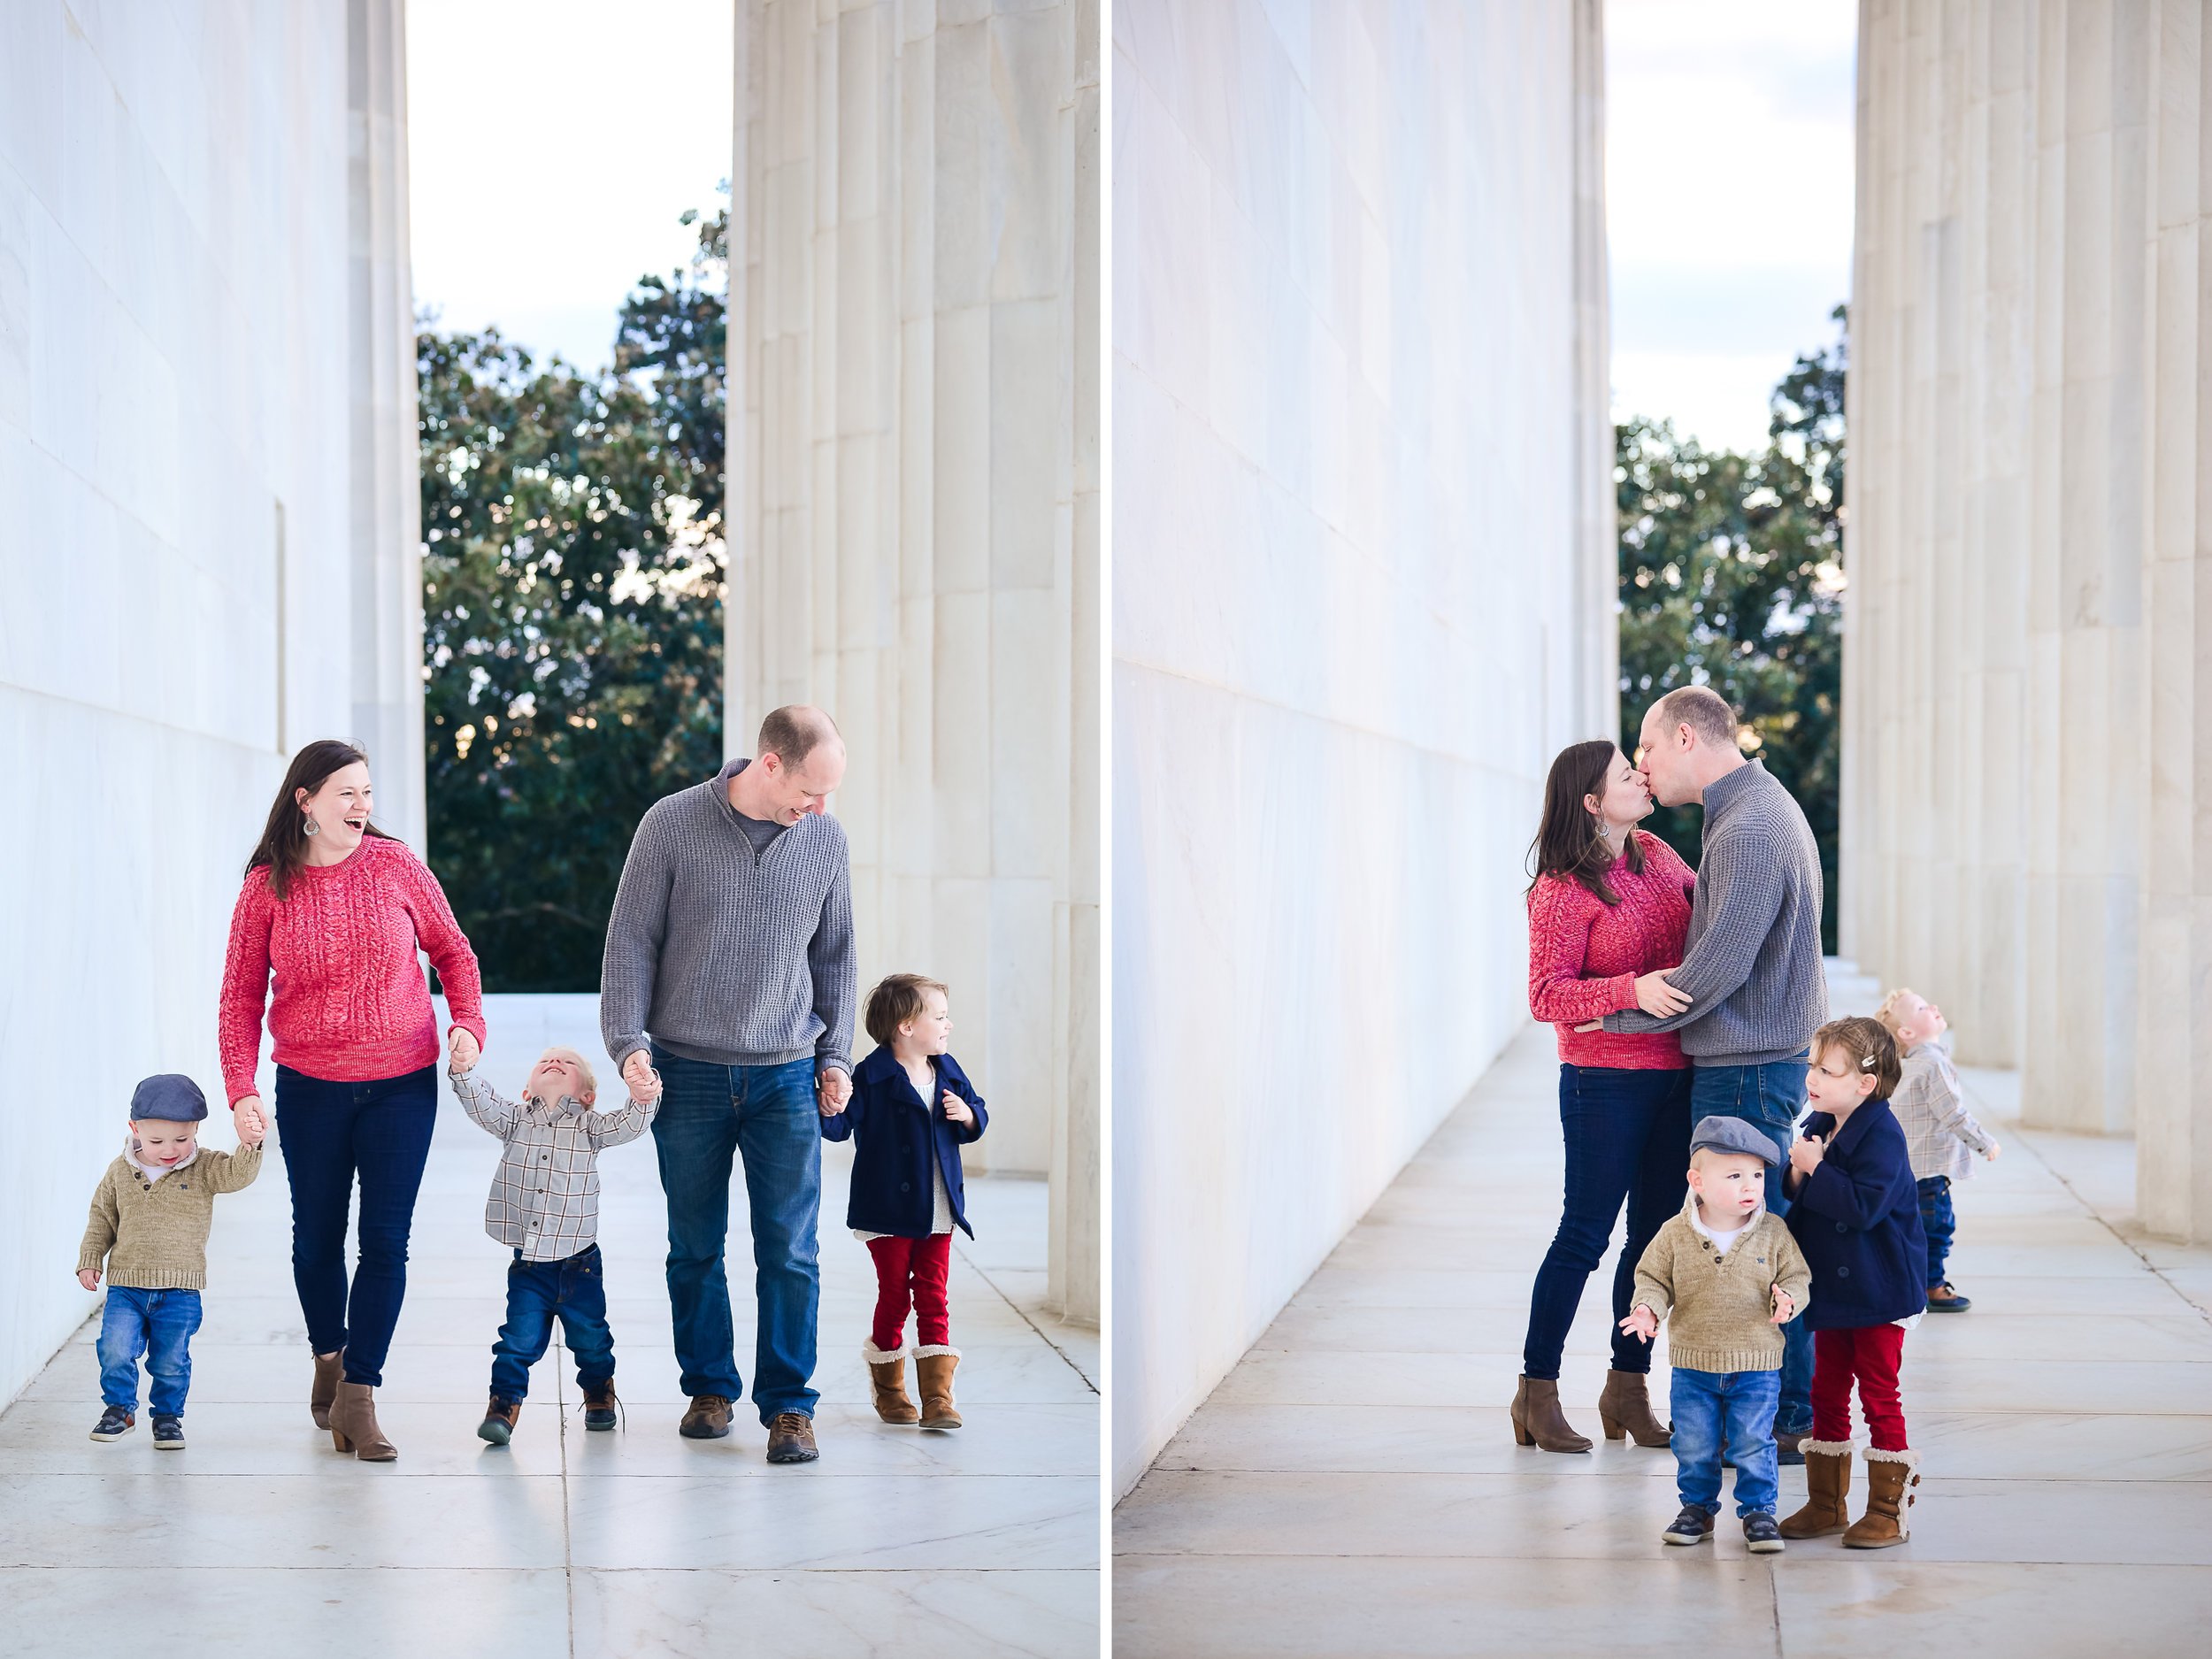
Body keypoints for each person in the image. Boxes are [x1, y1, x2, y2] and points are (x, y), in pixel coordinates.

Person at [601, 705, 856, 1463]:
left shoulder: (825, 839)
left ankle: (788, 1406)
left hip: (786, 1074)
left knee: (791, 1248)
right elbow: (631, 942)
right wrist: (627, 1045)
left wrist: (836, 1057)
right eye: (810, 790)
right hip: (687, 1072)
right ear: (769, 762)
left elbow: (836, 956)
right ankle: (710, 1388)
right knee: (694, 1246)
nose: (818, 809)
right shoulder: (672, 823)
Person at [220, 739, 486, 1463]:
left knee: (386, 1240)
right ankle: (330, 1359)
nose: (362, 806)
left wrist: (467, 1021)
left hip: (402, 1081)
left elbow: (453, 952)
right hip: (310, 1087)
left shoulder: (396, 865)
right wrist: (241, 1087)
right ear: (305, 800)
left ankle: (361, 1393)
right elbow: (239, 997)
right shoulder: (265, 887)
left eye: (367, 792)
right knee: (316, 1237)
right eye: (346, 792)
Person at [1592, 685, 1827, 1458]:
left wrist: (1612, 1013)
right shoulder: (1746, 811)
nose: (1645, 766)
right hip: (1750, 1060)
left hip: (1750, 1067)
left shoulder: (1750, 826)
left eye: (1649, 748)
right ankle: (1780, 1412)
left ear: (1687, 738)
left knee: (1752, 1240)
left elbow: (1716, 969)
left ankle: (1788, 1417)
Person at [1515, 740, 1697, 1454]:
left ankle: (1627, 1386)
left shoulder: (1655, 850)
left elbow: (1708, 912)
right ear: (1592, 803)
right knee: (1585, 1235)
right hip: (1602, 1081)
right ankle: (1537, 1390)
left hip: (1674, 1073)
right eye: (1627, 773)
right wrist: (1630, 989)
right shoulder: (1562, 889)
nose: (1642, 775)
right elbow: (1544, 995)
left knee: (1652, 1242)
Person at [450, 1045, 663, 1445]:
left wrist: (643, 1097)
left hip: (579, 1265)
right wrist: (463, 1072)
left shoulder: (589, 1126)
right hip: (530, 1267)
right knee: (517, 1340)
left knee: (592, 1339)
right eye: (545, 1061)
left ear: (588, 1096)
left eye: (568, 1064)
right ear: (527, 1091)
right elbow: (482, 1103)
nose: (554, 1063)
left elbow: (628, 1125)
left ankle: (599, 1393)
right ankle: (503, 1405)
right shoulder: (514, 1120)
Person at [1620, 1116, 1811, 1553]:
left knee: (1752, 1442)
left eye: (1758, 1175)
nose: (1751, 1186)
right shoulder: (1675, 1234)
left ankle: (1760, 1511)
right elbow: (1652, 1277)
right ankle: (1697, 1509)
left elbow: (1798, 1277)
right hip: (1693, 1365)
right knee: (1693, 1443)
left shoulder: (1773, 1233)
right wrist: (1647, 1308)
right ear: (1697, 1180)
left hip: (1757, 1365)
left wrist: (1789, 1301)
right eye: (1735, 1175)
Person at [1779, 1017, 1929, 1548]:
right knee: (1826, 1389)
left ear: (1864, 1085)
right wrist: (1800, 1171)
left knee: (1879, 1391)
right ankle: (1826, 1504)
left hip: (1880, 1286)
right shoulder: (1821, 1122)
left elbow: (1864, 1207)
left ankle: (1889, 1509)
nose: (1812, 1076)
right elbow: (1802, 1192)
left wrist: (1816, 1170)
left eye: (1826, 1069)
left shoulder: (1882, 1134)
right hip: (1836, 1287)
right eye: (1813, 1065)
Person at [821, 973, 989, 1432]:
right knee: (895, 1294)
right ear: (907, 1026)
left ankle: (938, 1397)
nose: (949, 1025)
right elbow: (839, 1129)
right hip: (888, 1210)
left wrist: (968, 1115)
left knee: (934, 1294)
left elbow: (978, 1112)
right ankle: (890, 1390)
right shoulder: (871, 1077)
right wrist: (827, 1103)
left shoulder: (948, 1069)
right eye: (940, 1016)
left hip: (938, 1205)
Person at [77, 1075, 265, 1448]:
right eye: (157, 1141)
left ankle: (166, 1417)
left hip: (180, 1289)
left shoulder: (205, 1167)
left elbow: (237, 1176)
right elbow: (102, 1216)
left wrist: (251, 1144)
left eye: (181, 1139)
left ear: (196, 1129)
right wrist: (90, 1257)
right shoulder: (119, 1171)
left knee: (170, 1361)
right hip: (126, 1286)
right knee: (114, 1348)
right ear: (135, 1130)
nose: (170, 1150)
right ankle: (119, 1409)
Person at [1877, 987, 2000, 1310]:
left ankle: (1905, 1284)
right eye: (1920, 1007)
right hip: (1929, 1173)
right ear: (1907, 1031)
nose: (1932, 1005)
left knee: (1908, 1231)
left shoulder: (1907, 1066)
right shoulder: (1932, 1064)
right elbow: (1952, 1113)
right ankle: (1932, 1287)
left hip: (1906, 1170)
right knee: (1936, 1230)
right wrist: (1984, 1142)